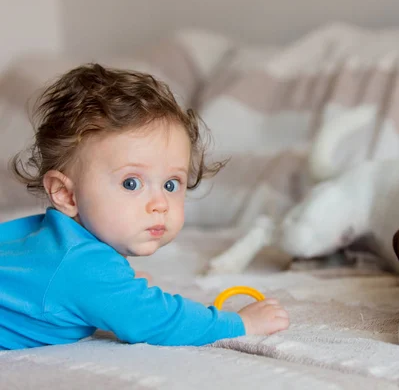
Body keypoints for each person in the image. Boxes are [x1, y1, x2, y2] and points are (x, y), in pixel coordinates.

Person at [0, 63, 290, 350]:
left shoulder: (56, 246)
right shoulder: (83, 267)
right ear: (66, 194)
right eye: (131, 183)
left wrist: (119, 286)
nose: (160, 204)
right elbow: (157, 321)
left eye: (171, 184)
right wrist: (241, 324)